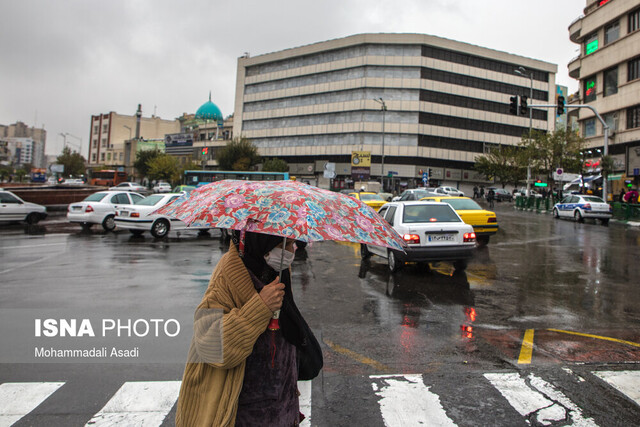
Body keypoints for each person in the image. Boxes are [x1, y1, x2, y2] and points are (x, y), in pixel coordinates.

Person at [175, 231, 309, 426]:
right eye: (285, 245)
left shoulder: (278, 272)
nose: (291, 252)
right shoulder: (228, 273)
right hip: (244, 411)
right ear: (263, 242)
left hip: (281, 408)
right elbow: (210, 346)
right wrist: (260, 307)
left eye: (293, 244)